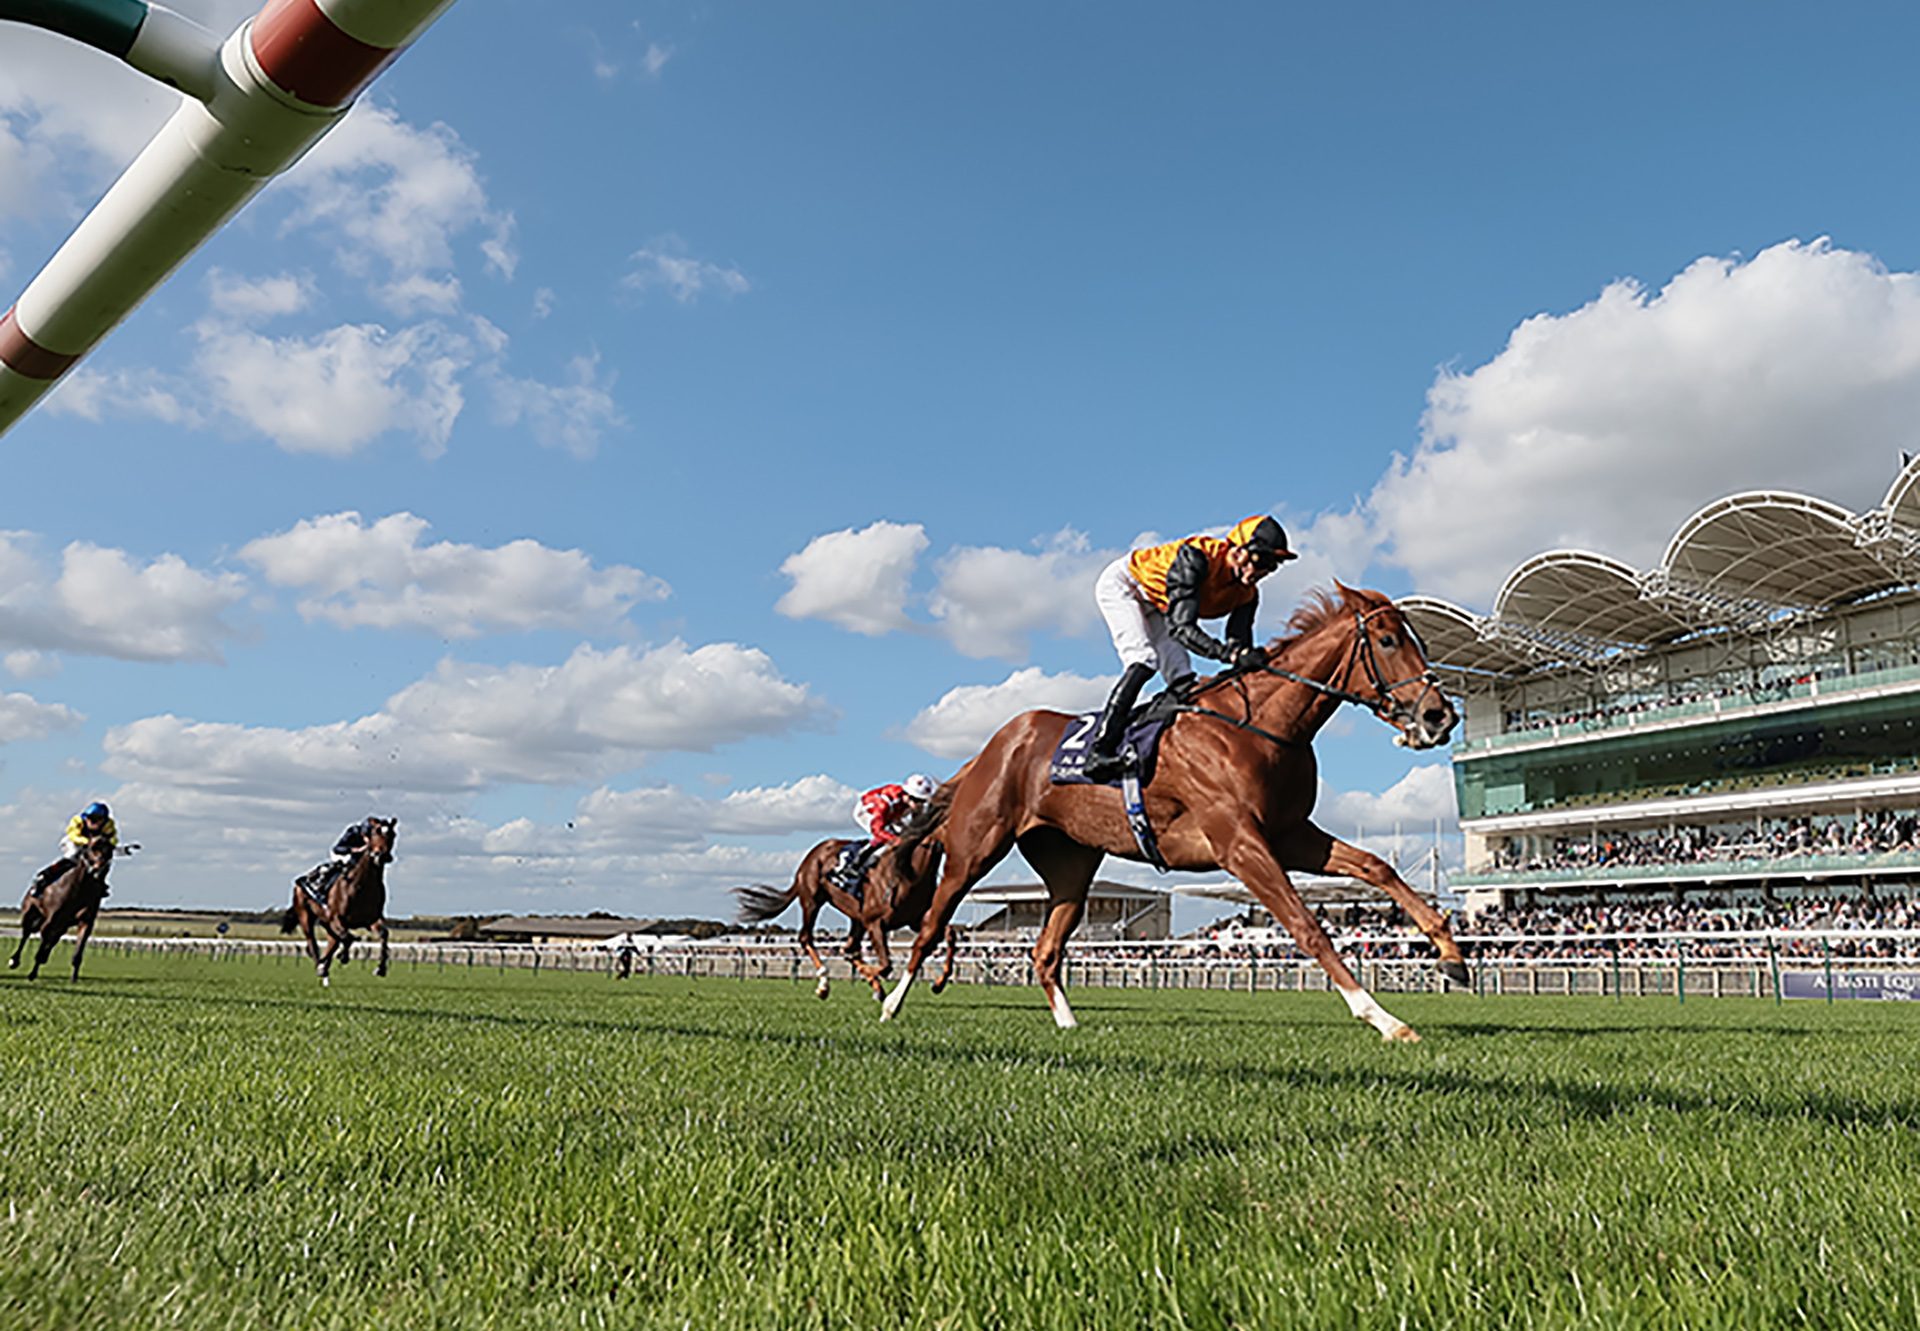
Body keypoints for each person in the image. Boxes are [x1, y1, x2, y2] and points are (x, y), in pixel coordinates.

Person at [1082, 514, 1295, 781]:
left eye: (1270, 566)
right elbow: (1182, 629)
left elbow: (1238, 644)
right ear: (1237, 550)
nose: (1260, 572)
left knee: (1183, 680)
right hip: (1126, 587)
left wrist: (1250, 658)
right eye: (1259, 560)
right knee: (1144, 659)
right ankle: (1098, 750)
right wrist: (1227, 654)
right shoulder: (1197, 559)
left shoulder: (1247, 594)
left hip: (1161, 606)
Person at [833, 774, 937, 896]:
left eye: (923, 802)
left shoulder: (906, 800)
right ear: (908, 796)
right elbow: (878, 830)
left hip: (893, 812)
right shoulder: (884, 804)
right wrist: (894, 840)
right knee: (883, 839)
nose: (920, 806)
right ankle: (853, 866)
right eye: (919, 801)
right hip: (867, 812)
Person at [27, 801, 118, 898]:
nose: (94, 823)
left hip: (94, 844)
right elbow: (73, 835)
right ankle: (44, 876)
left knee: (105, 859)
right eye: (91, 819)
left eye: (98, 819)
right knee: (72, 854)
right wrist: (87, 841)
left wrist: (107, 843)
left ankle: (101, 883)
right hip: (73, 841)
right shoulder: (77, 821)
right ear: (86, 817)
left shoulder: (109, 824)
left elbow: (113, 838)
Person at [296, 815, 381, 903]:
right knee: (342, 866)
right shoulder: (352, 832)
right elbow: (338, 848)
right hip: (341, 853)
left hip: (357, 856)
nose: (368, 839)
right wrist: (355, 850)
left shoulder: (374, 837)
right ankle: (320, 886)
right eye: (367, 836)